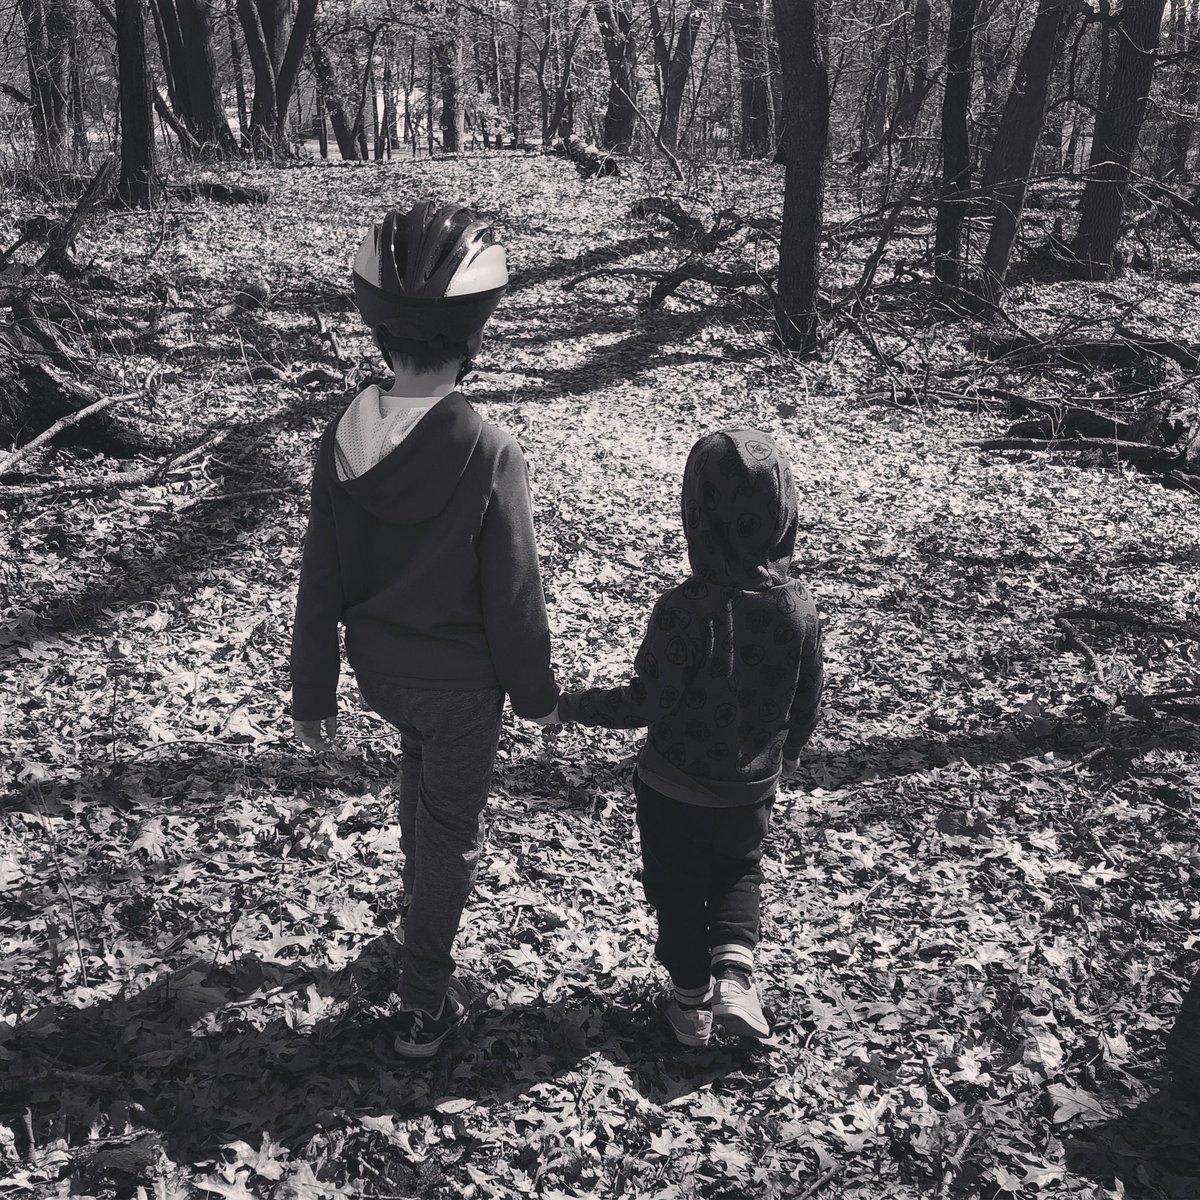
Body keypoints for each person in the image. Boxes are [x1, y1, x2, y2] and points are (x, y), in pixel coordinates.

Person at [289, 201, 560, 1057]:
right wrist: (539, 698)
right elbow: (514, 591)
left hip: (383, 678)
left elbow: (320, 577)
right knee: (449, 833)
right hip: (461, 689)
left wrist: (313, 695)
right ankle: (423, 1001)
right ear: (472, 334)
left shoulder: (343, 437)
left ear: (381, 335)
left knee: (421, 787)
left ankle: (415, 926)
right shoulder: (490, 451)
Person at [553, 430, 823, 1046]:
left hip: (673, 785)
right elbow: (809, 692)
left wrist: (567, 705)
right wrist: (792, 750)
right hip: (750, 787)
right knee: (738, 872)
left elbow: (647, 701)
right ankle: (734, 973)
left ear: (697, 514)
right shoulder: (798, 608)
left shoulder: (685, 609)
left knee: (674, 889)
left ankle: (688, 1002)